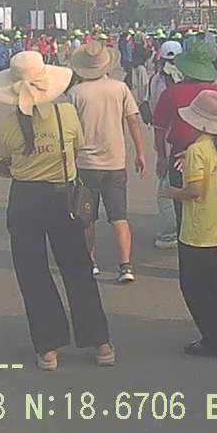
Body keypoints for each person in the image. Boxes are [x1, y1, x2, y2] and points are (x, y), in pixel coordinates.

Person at [0, 51, 115, 371]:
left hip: (26, 200)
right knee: (78, 269)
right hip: (64, 198)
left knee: (33, 273)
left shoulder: (7, 127)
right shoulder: (66, 115)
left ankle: (48, 348)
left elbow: (8, 161)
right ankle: (101, 343)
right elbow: (77, 147)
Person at [159, 90, 217, 357]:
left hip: (198, 230)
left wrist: (173, 192)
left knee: (194, 288)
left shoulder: (197, 151)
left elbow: (195, 191)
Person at [152, 43, 217, 275]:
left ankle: (192, 265)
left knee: (185, 212)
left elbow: (160, 129)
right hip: (216, 150)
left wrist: (161, 156)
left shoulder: (171, 93)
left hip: (181, 153)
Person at [68, 42, 147, 282]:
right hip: (115, 162)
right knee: (119, 217)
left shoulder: (76, 93)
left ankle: (90, 261)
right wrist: (140, 152)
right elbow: (133, 120)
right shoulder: (120, 88)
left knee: (86, 217)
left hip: (85, 163)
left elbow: (69, 129)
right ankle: (125, 266)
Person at [150, 40, 185, 250]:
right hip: (190, 142)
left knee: (166, 192)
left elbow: (157, 122)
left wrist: (161, 156)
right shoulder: (188, 80)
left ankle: (169, 233)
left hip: (168, 143)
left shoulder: (157, 81)